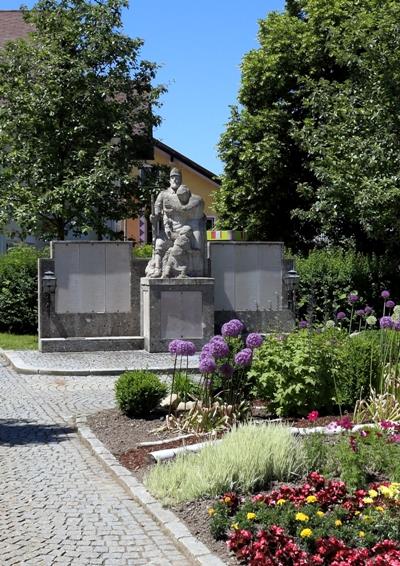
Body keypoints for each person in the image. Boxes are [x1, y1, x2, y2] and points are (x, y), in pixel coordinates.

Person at [145, 168, 206, 278]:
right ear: (169, 179)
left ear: (181, 179)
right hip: (168, 231)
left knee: (195, 246)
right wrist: (153, 216)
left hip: (184, 231)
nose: (175, 180)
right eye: (173, 177)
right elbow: (157, 209)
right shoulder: (163, 195)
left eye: (178, 177)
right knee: (159, 244)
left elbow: (196, 209)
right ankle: (158, 269)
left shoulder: (187, 194)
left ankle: (193, 270)